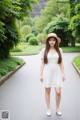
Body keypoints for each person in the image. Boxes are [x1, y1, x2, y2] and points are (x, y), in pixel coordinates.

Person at [40, 33, 66, 116]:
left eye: (53, 40)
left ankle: (57, 108)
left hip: (57, 72)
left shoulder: (60, 50)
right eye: (50, 40)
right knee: (47, 91)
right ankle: (48, 108)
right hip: (47, 72)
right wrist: (41, 74)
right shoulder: (44, 51)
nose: (52, 42)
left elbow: (61, 63)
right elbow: (42, 63)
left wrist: (63, 73)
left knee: (58, 92)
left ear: (56, 41)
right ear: (48, 41)